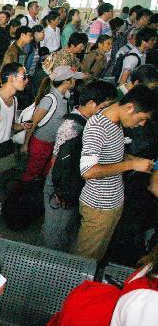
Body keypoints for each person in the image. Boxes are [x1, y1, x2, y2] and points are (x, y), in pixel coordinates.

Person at [77, 87, 158, 260]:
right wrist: (132, 164)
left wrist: (137, 162)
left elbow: (113, 157)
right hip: (98, 207)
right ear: (129, 107)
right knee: (86, 260)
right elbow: (88, 171)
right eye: (142, 118)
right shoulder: (98, 127)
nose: (142, 124)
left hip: (112, 204)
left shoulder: (115, 123)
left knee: (97, 256)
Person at [41, 81, 116, 252]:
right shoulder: (72, 126)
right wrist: (60, 191)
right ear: (91, 104)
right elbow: (57, 162)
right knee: (55, 233)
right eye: (106, 106)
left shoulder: (88, 122)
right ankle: (46, 268)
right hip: (62, 188)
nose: (108, 110)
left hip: (69, 187)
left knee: (63, 229)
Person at [19, 65, 83, 185]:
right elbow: (33, 123)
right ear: (66, 81)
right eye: (73, 79)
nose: (76, 82)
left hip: (52, 144)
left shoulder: (65, 98)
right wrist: (25, 144)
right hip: (41, 143)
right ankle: (22, 196)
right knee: (31, 174)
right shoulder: (50, 99)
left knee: (44, 173)